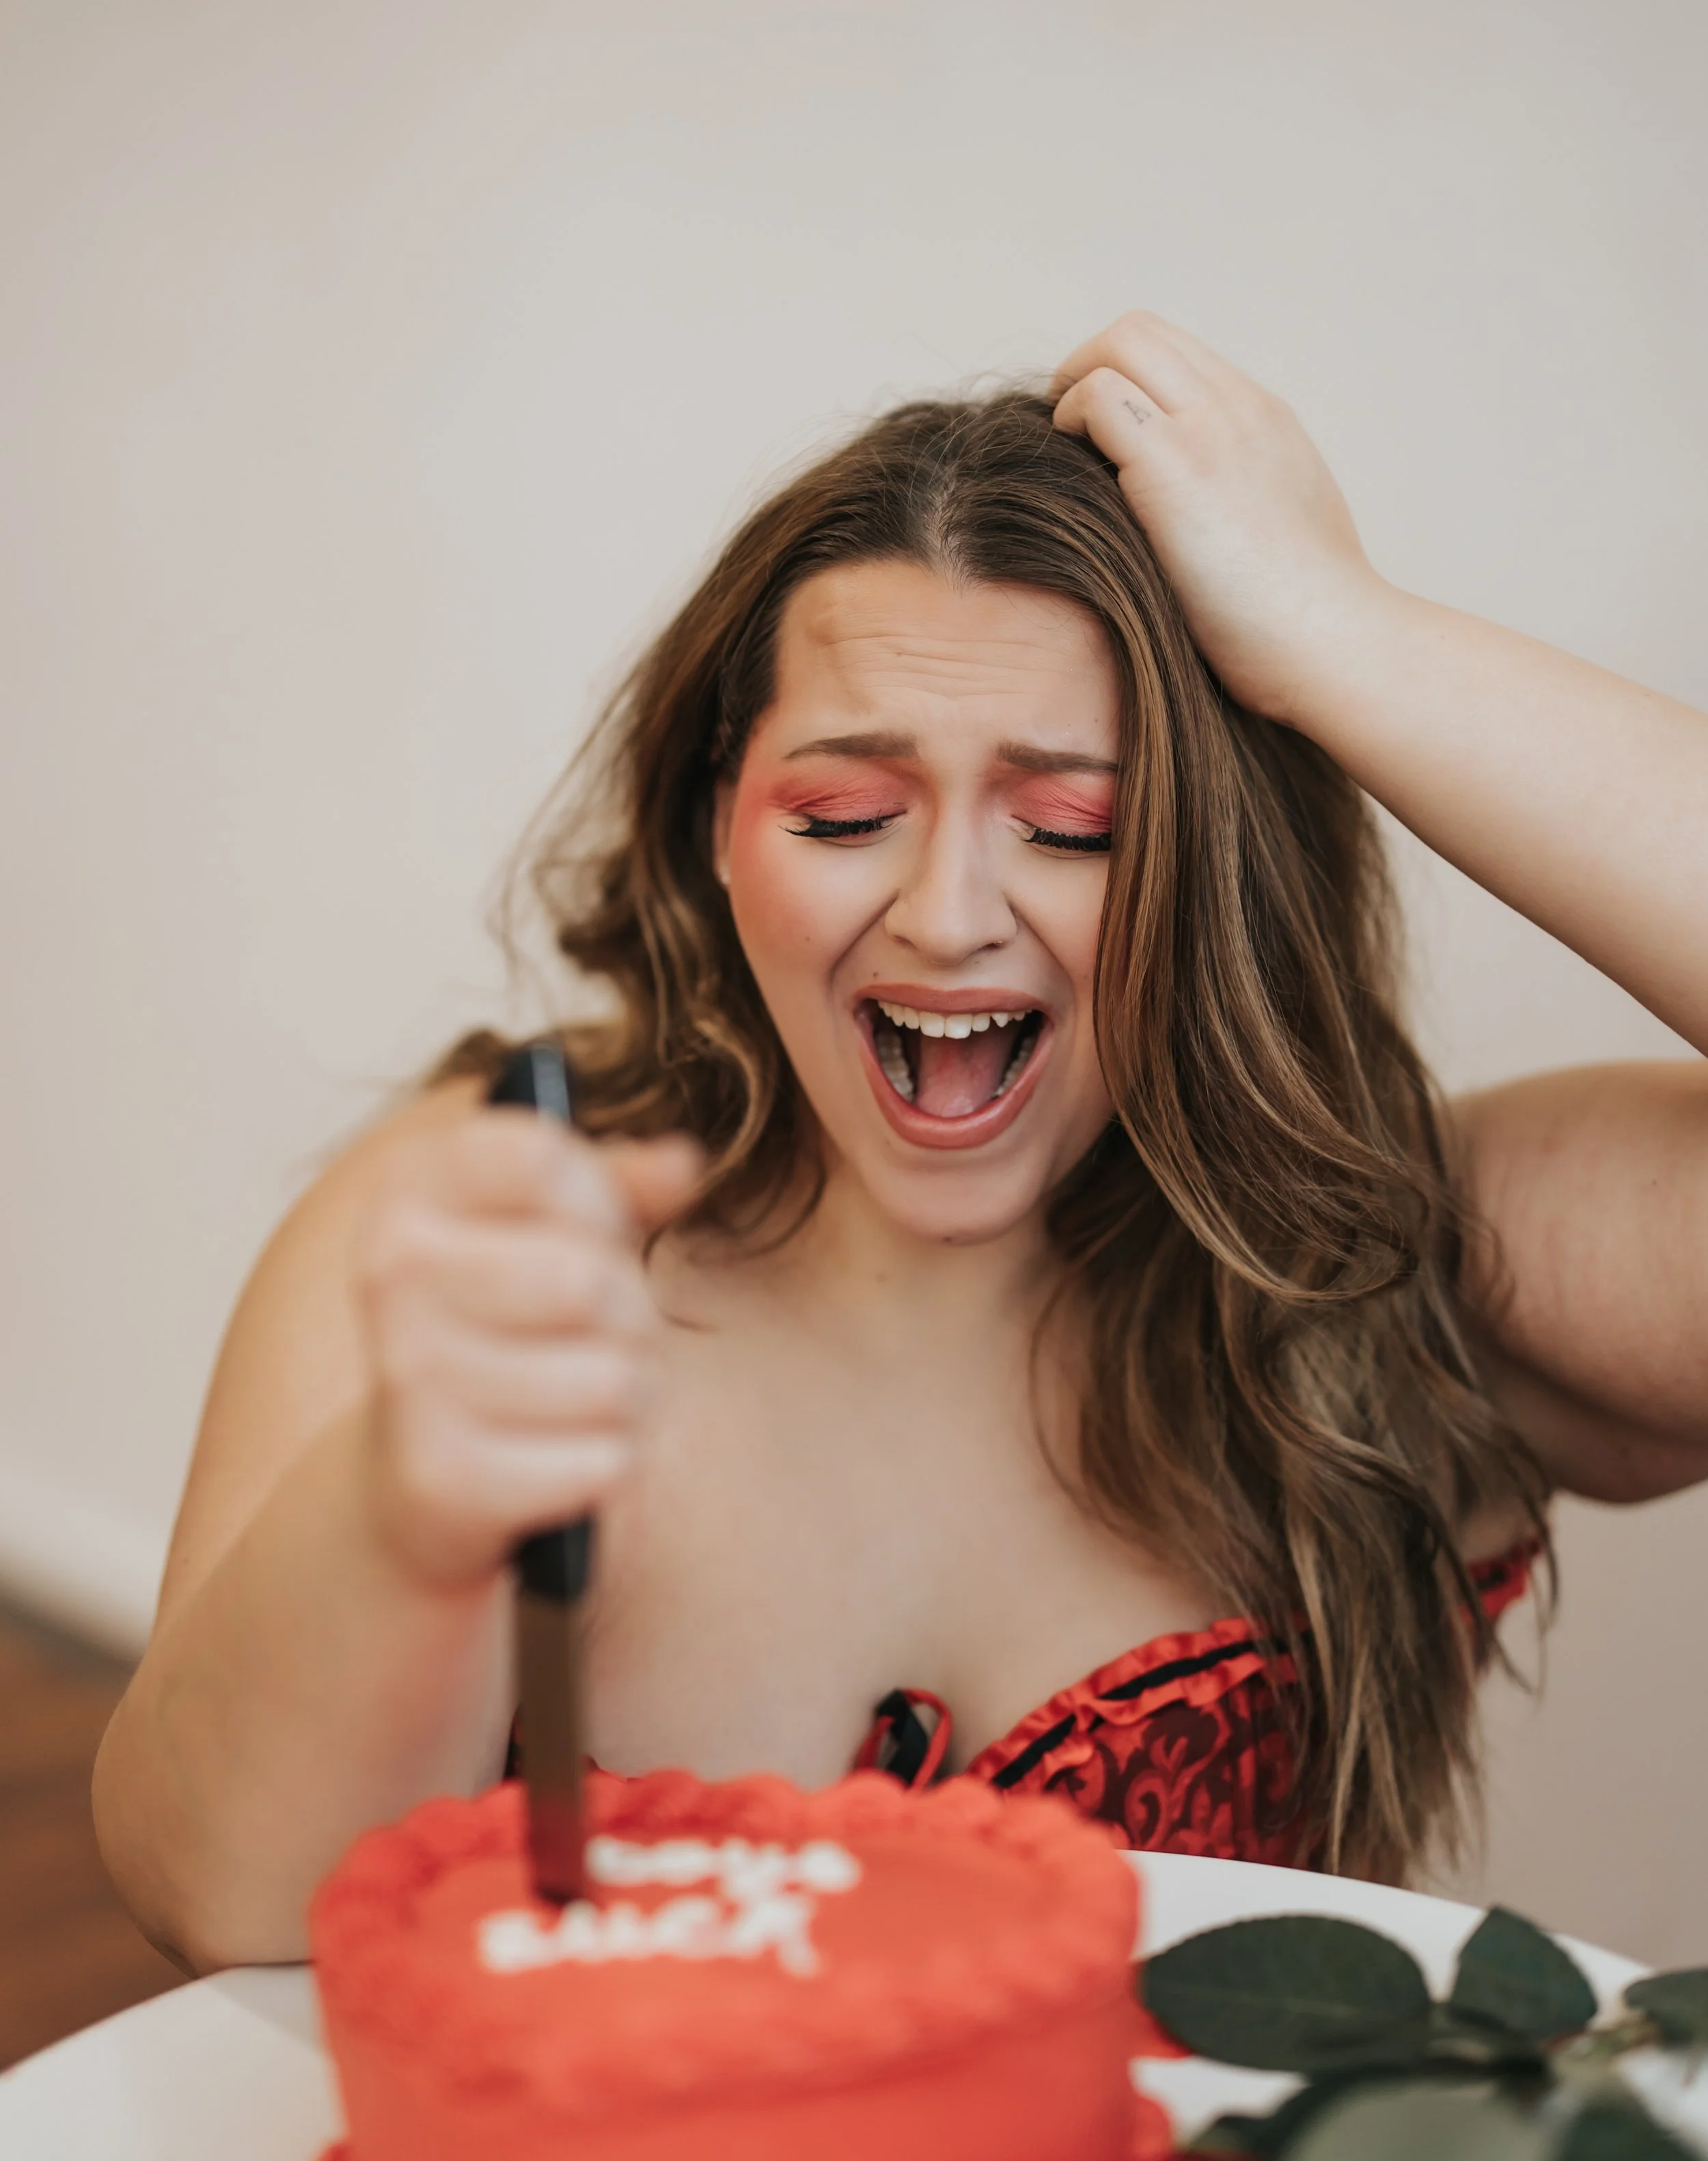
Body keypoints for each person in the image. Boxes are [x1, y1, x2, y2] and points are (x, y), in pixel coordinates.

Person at [95, 314, 1708, 1972]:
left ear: (1212, 869)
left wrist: (1351, 642)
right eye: (846, 816)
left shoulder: (1411, 1268)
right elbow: (211, 1899)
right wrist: (403, 1513)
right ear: (719, 826)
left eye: (1074, 825)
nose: (945, 917)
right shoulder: (509, 1218)